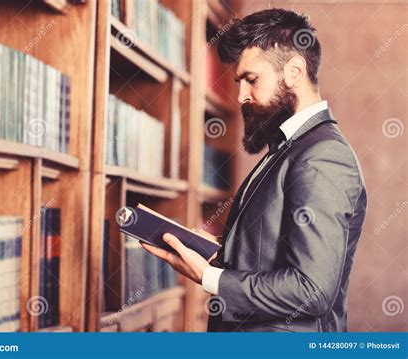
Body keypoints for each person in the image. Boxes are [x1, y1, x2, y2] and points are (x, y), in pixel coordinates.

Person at [142, 8, 367, 332]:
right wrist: (215, 257)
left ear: (294, 71)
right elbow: (272, 257)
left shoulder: (323, 156)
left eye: (251, 79)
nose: (240, 96)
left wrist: (209, 277)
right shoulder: (289, 148)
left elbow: (311, 290)